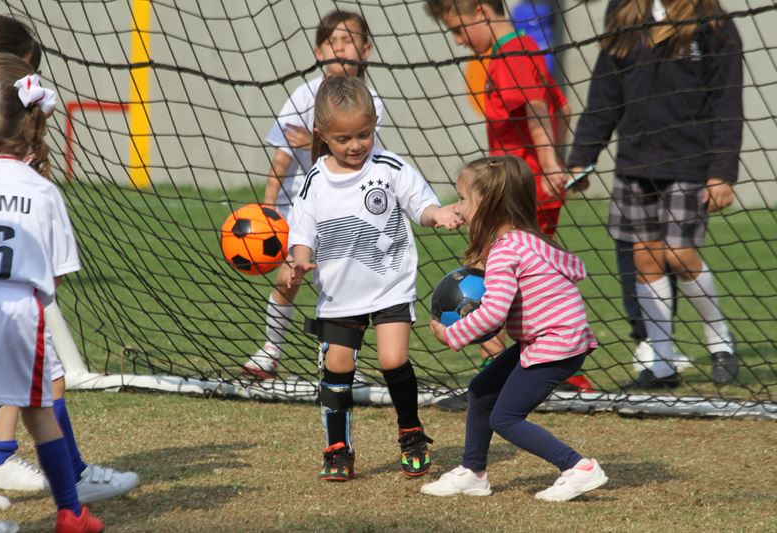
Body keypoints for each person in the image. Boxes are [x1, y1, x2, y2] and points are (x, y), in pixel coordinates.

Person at [0, 13, 139, 507]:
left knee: (38, 381)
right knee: (39, 382)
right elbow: (59, 272)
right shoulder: (33, 187)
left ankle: (8, 460)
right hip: (13, 299)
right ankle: (39, 473)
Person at [287, 76, 460, 481]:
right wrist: (299, 260)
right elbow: (302, 234)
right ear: (322, 134)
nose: (356, 145)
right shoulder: (314, 182)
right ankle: (337, 448)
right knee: (337, 367)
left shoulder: (389, 167)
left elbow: (421, 204)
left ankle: (411, 432)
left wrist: (439, 215)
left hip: (390, 286)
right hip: (339, 295)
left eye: (364, 134)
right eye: (344, 137)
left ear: (374, 124)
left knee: (393, 359)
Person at [567, 0, 742, 389]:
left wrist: (722, 173)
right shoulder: (625, 14)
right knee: (644, 258)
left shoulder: (713, 23)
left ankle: (721, 342)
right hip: (635, 162)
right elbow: (604, 97)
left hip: (691, 163)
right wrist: (581, 159)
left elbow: (728, 103)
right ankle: (661, 362)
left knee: (678, 254)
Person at [424, 0, 596, 394]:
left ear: (481, 11)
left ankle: (528, 371)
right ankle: (541, 369)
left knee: (486, 278)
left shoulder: (515, 52)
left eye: (458, 29)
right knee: (508, 282)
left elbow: (538, 110)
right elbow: (562, 108)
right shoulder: (518, 50)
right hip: (521, 191)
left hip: (516, 199)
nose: (459, 40)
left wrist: (550, 165)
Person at [421, 155, 607, 502]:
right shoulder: (523, 239)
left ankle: (577, 467)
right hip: (549, 339)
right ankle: (473, 472)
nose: (458, 207)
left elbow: (493, 314)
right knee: (482, 389)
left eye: (464, 199)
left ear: (491, 206)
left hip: (556, 344)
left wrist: (453, 334)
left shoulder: (507, 251)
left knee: (505, 418)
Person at [0, 52, 104, 532]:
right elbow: (59, 271)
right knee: (37, 409)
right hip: (17, 309)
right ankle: (71, 512)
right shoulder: (43, 190)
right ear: (31, 128)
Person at [242, 9, 384, 379]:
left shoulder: (370, 100)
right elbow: (283, 154)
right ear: (319, 52)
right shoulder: (304, 95)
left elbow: (358, 156)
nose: (340, 47)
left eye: (348, 39)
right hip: (301, 208)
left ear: (365, 50)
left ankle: (341, 359)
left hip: (348, 209)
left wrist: (316, 140)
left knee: (346, 289)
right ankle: (270, 350)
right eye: (331, 40)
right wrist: (269, 206)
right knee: (288, 276)